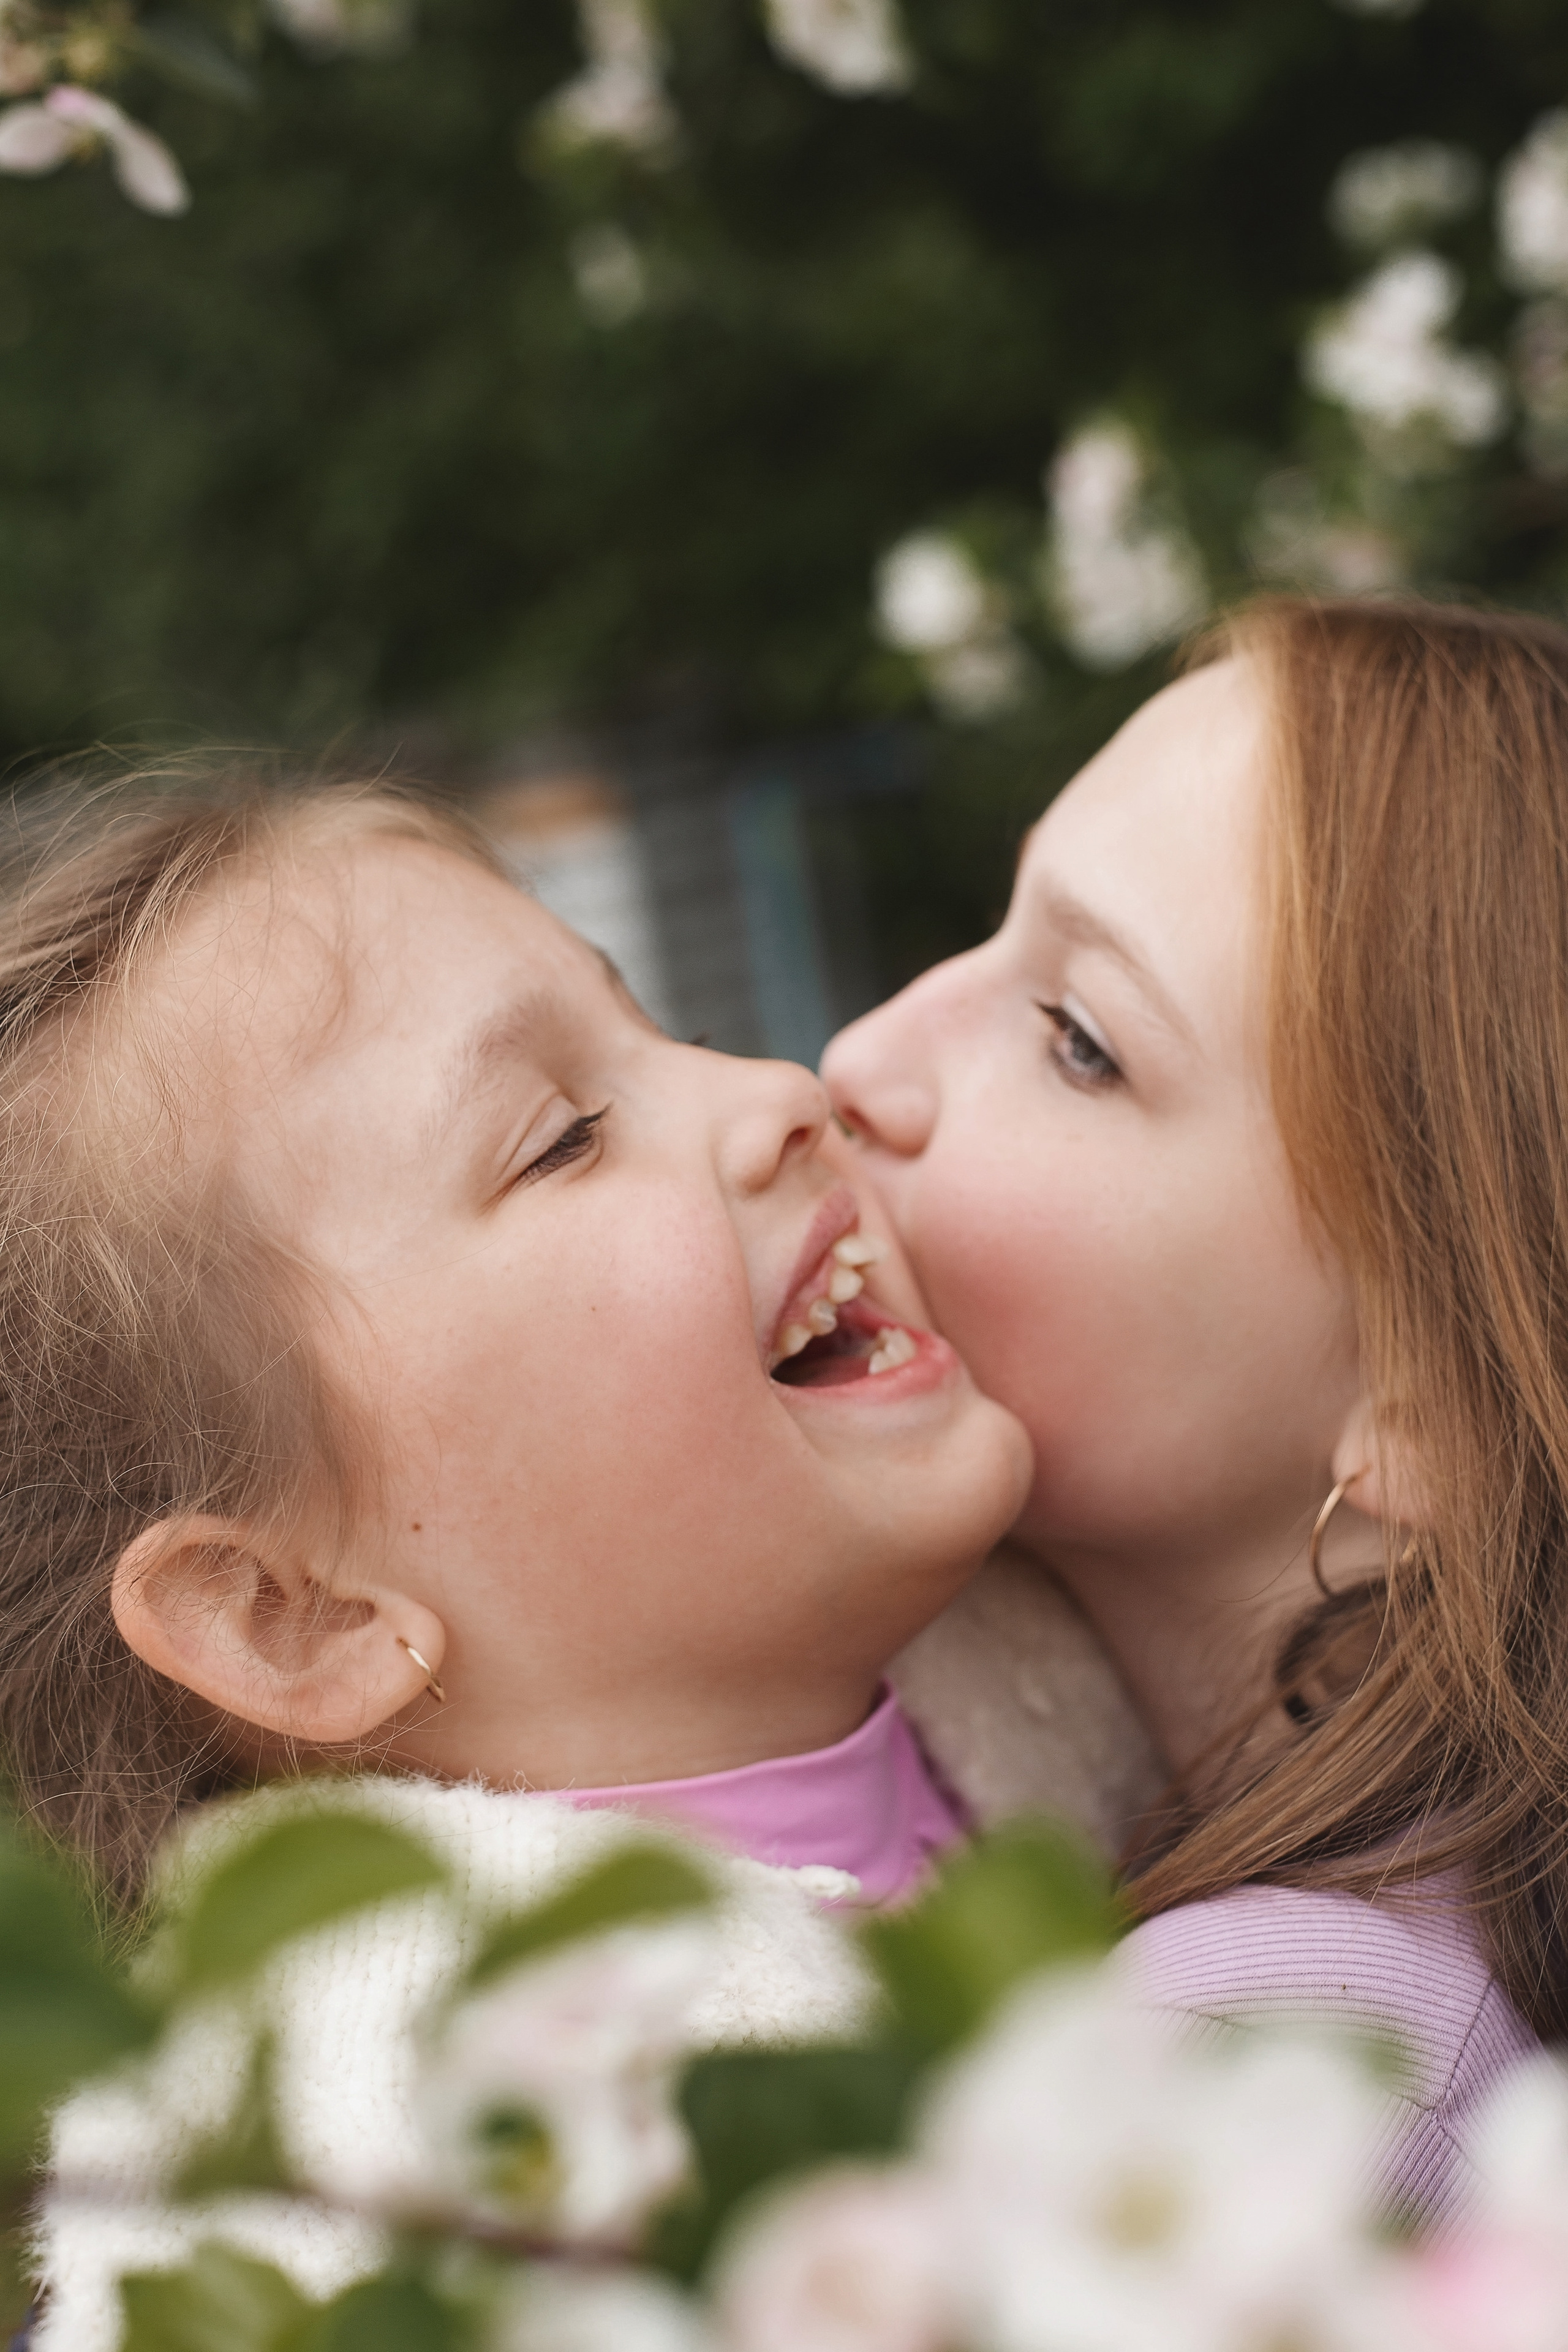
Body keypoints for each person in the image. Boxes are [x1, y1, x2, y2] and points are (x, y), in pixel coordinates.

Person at [824, 596, 1562, 2222]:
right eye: (988, 927)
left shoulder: (1271, 2066)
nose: (862, 1055)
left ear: (1430, 1408)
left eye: (1078, 1040)